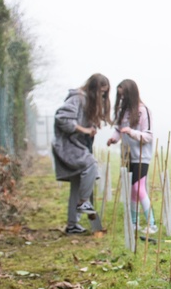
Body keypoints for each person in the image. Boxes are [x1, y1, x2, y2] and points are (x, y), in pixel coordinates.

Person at [52, 74, 111, 234]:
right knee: (91, 164)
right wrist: (84, 130)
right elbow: (62, 118)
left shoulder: (87, 102)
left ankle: (72, 225)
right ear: (93, 89)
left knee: (77, 183)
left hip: (77, 145)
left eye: (105, 93)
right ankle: (83, 202)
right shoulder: (77, 98)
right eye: (101, 92)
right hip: (67, 145)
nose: (102, 96)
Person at [106, 79, 156, 236]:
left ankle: (151, 223)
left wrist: (131, 132)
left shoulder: (144, 110)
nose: (122, 99)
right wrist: (114, 138)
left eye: (124, 95)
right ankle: (133, 223)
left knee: (138, 188)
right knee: (132, 190)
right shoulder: (122, 112)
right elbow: (118, 130)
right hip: (127, 156)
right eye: (120, 96)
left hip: (141, 156)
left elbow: (148, 136)